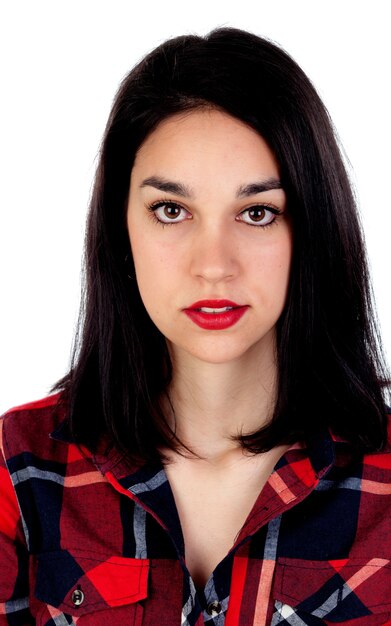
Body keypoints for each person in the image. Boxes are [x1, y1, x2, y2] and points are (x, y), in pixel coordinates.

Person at [0, 27, 390, 626]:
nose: (213, 264)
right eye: (172, 210)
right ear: (120, 229)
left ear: (311, 229)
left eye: (257, 213)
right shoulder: (20, 467)